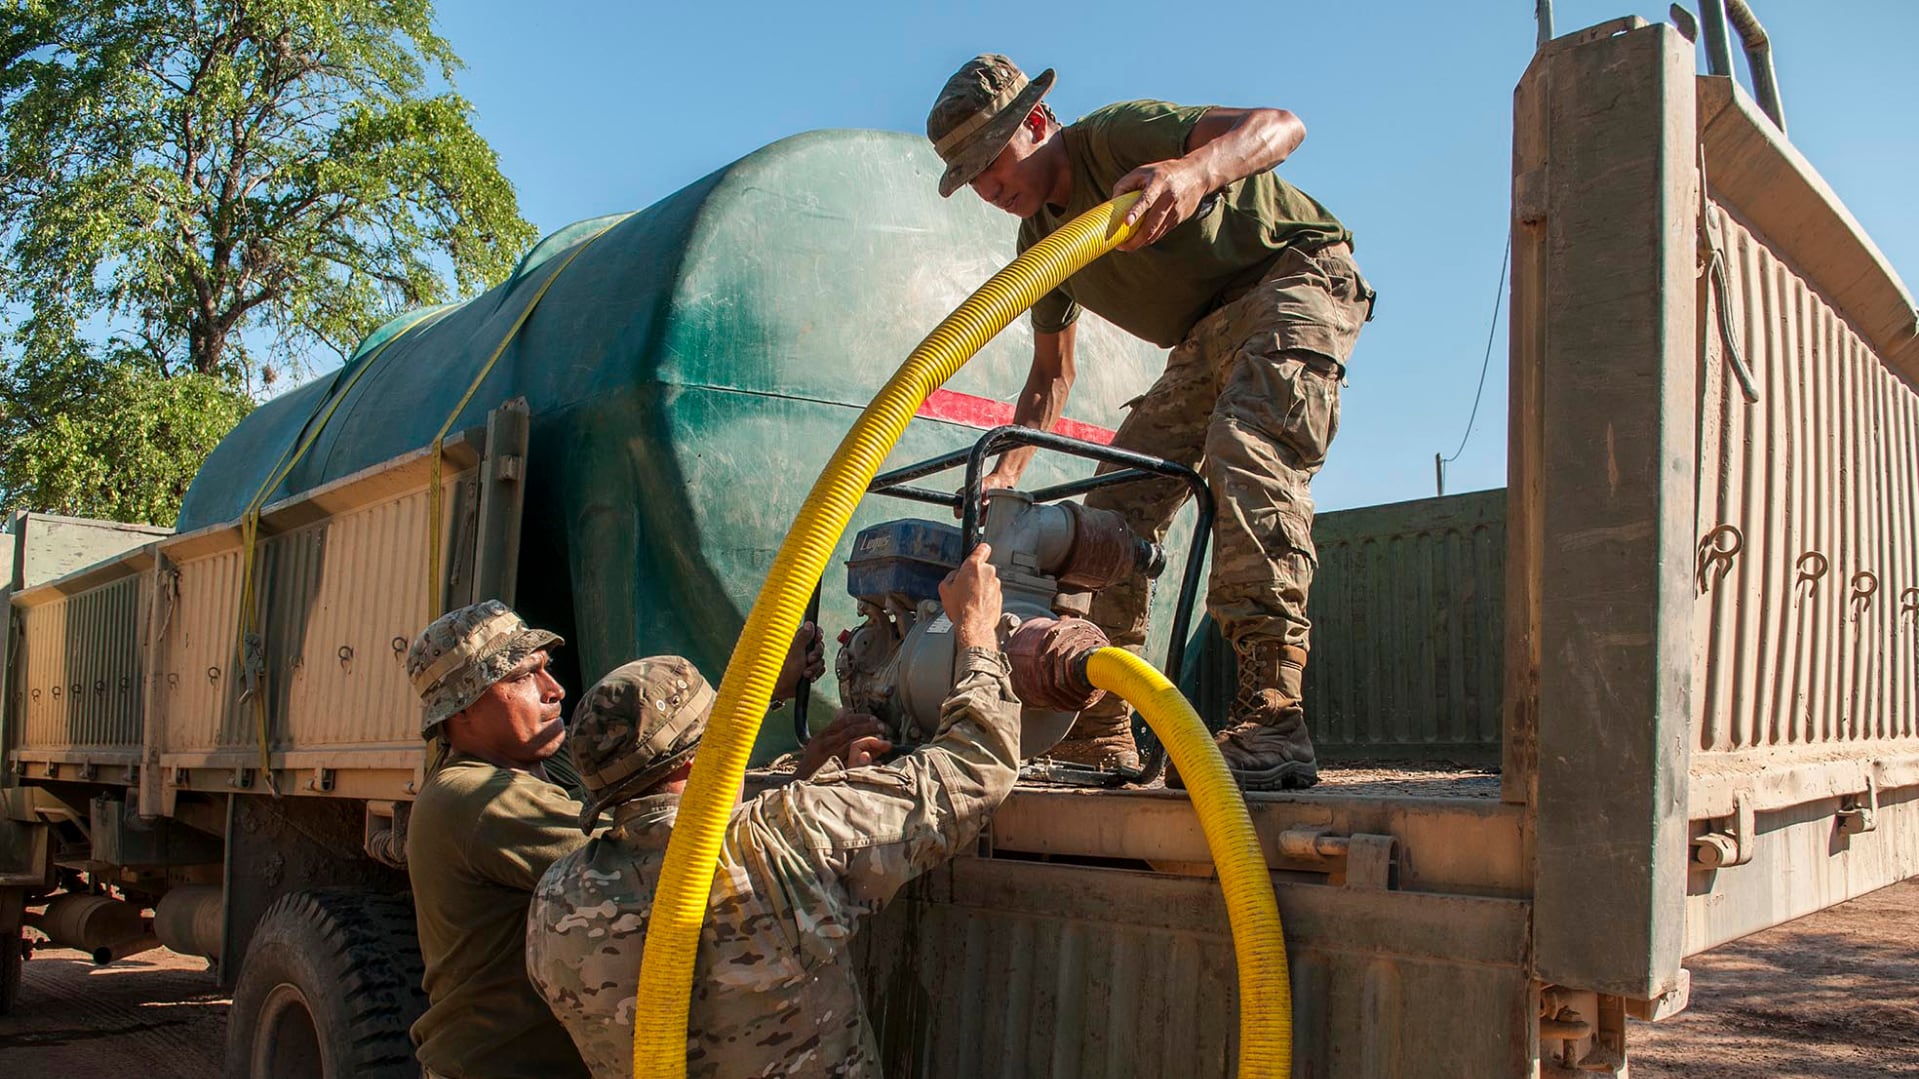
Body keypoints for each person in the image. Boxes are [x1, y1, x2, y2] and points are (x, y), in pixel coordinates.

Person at [924, 55, 1374, 790]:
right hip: (1204, 334)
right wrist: (1005, 473)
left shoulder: (1116, 138)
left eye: (992, 160)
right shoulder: (1041, 242)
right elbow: (1050, 376)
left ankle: (1272, 711)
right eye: (970, 176)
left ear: (1036, 123)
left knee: (1247, 450)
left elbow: (1281, 126)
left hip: (1293, 277)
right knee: (1110, 513)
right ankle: (1100, 723)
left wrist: (1195, 171)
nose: (987, 186)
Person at [526, 545, 1019, 1078]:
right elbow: (975, 767)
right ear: (708, 750)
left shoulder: (555, 899)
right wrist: (975, 633)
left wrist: (820, 780)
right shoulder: (784, 839)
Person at [404, 600, 822, 1078]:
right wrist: (806, 787)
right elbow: (654, 844)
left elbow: (651, 774)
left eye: (546, 668)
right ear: (462, 708)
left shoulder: (535, 764)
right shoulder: (475, 798)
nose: (553, 690)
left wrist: (760, 695)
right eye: (521, 676)